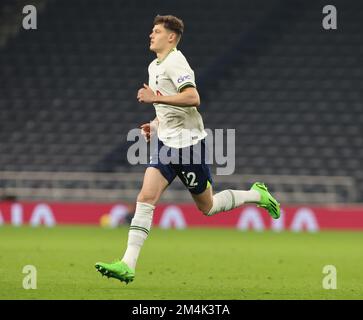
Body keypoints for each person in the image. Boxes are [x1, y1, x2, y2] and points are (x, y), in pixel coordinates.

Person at [95, 15, 280, 284]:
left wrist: (155, 98)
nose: (151, 35)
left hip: (189, 147)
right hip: (166, 146)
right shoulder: (153, 66)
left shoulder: (176, 61)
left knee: (208, 206)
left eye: (156, 31)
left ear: (171, 37)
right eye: (152, 30)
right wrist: (154, 125)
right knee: (146, 196)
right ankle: (127, 264)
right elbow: (167, 110)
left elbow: (193, 97)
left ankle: (256, 194)